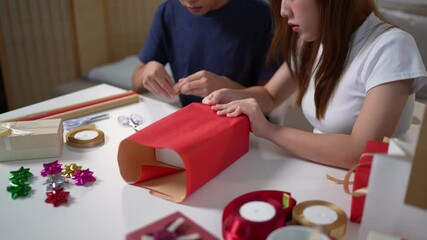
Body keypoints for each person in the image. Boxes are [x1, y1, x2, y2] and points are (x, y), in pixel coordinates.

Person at [203, 0, 427, 169]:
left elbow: (360, 153)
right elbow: (270, 96)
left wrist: (270, 131)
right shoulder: (314, 40)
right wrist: (234, 95)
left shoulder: (391, 47)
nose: (283, 11)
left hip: (368, 186)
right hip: (319, 169)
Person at [132, 0, 279, 107]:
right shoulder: (168, 10)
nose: (189, 1)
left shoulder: (261, 16)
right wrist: (149, 69)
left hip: (244, 126)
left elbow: (269, 100)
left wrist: (227, 88)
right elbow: (136, 84)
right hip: (191, 123)